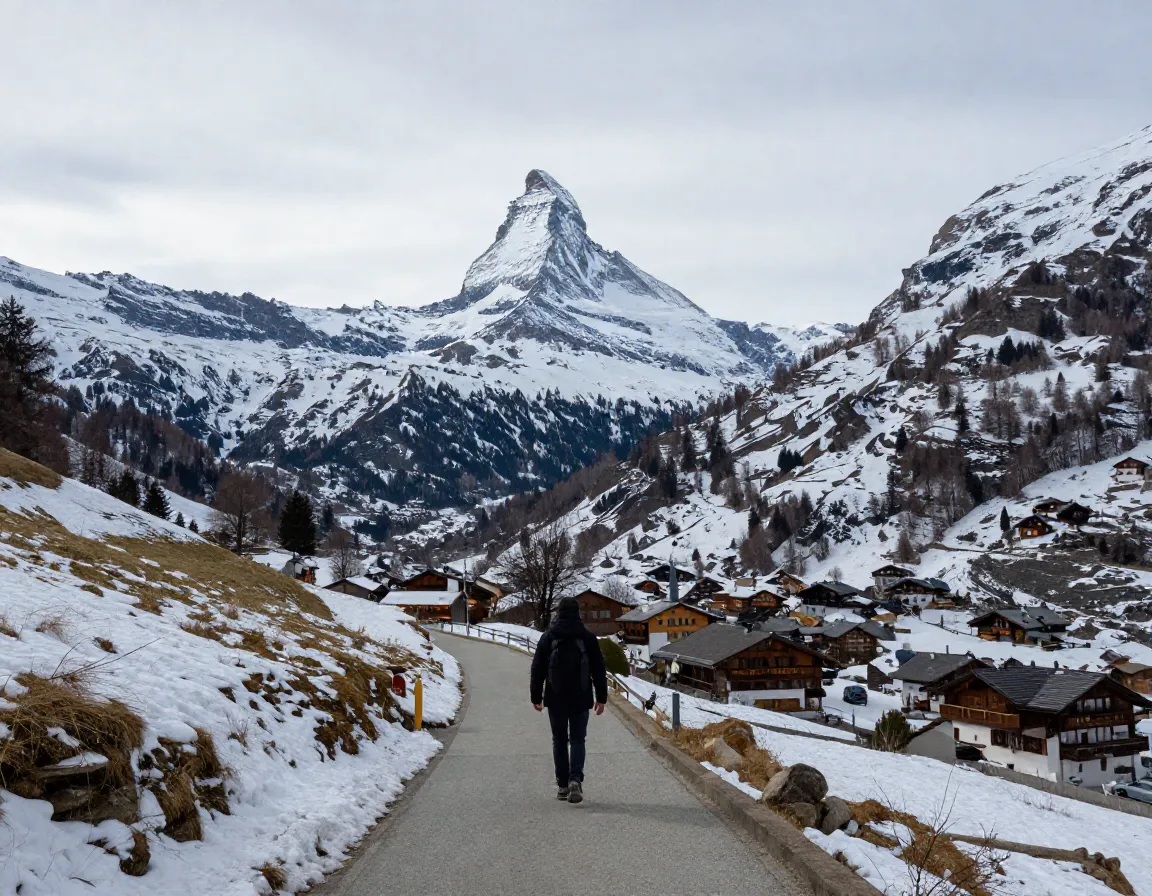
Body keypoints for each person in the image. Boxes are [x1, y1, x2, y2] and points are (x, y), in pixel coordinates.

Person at [529, 596, 608, 804]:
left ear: (558, 612)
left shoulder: (549, 637)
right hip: (581, 697)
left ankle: (563, 785)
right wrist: (601, 697)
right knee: (578, 740)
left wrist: (536, 696)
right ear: (577, 613)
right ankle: (576, 780)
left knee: (559, 740)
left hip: (555, 698)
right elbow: (599, 669)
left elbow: (537, 668)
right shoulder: (587, 637)